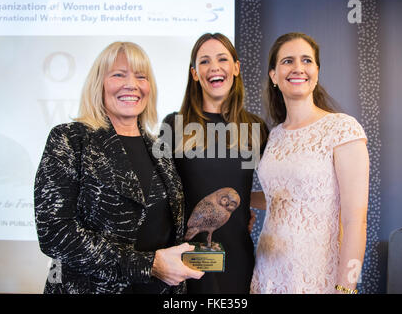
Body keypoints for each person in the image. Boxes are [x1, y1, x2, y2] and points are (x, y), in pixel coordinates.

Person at [34, 41, 203, 294]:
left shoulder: (160, 149)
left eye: (141, 76)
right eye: (118, 75)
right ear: (99, 83)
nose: (131, 84)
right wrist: (149, 265)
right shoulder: (70, 139)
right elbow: (54, 232)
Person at [250, 33, 369, 294]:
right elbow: (282, 197)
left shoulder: (342, 129)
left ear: (316, 71)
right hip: (268, 273)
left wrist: (347, 287)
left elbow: (355, 222)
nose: (298, 68)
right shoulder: (274, 136)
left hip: (317, 277)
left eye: (306, 60)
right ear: (273, 75)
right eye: (288, 61)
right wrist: (238, 199)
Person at [161, 33, 268, 294]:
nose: (215, 67)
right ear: (195, 73)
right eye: (205, 61)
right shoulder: (174, 125)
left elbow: (274, 192)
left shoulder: (255, 127)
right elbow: (159, 194)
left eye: (222, 59)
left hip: (237, 258)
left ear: (236, 68)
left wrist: (244, 206)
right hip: (184, 260)